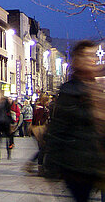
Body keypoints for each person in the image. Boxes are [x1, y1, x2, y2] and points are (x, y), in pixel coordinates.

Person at [44, 40, 105, 201]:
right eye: (85, 56)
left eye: (92, 55)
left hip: (97, 161)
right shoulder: (69, 90)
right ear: (76, 60)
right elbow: (57, 128)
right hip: (76, 165)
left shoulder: (98, 88)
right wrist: (50, 164)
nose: (91, 60)